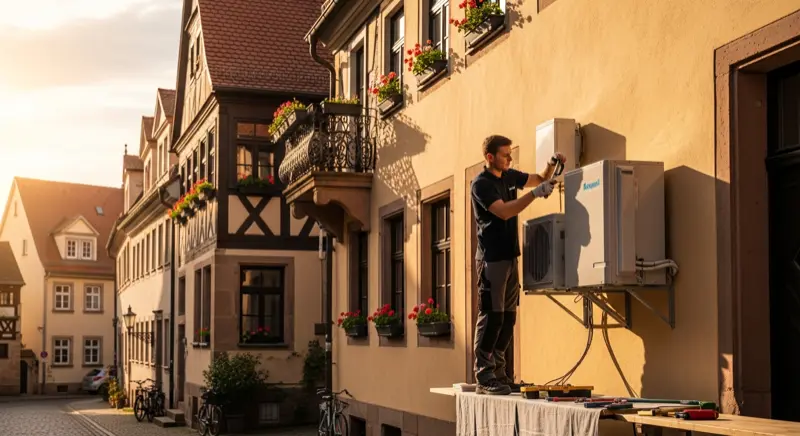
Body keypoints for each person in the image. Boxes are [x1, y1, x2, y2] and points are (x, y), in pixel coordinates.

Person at [470, 134, 566, 395]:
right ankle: (484, 375)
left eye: (510, 154)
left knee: (508, 317)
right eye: (505, 154)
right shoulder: (481, 185)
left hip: (511, 257)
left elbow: (538, 179)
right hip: (491, 259)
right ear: (490, 157)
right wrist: (535, 195)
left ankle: (501, 373)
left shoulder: (509, 176)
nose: (510, 158)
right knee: (492, 316)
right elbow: (504, 211)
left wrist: (550, 164)